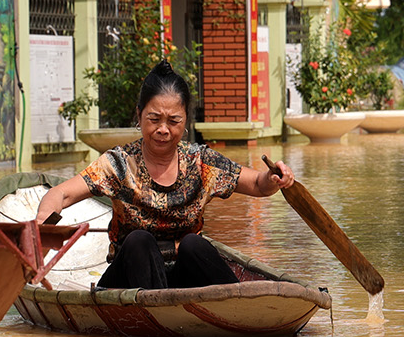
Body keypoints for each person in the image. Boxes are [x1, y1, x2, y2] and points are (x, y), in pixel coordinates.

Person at [35, 60, 296, 290]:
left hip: (184, 279)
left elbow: (258, 184)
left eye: (173, 121)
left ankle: (237, 307)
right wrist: (40, 230)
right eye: (154, 119)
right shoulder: (118, 164)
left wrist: (275, 177)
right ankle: (157, 315)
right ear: (139, 116)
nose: (163, 129)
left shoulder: (201, 162)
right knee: (139, 241)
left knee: (195, 245)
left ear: (185, 121)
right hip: (129, 281)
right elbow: (60, 193)